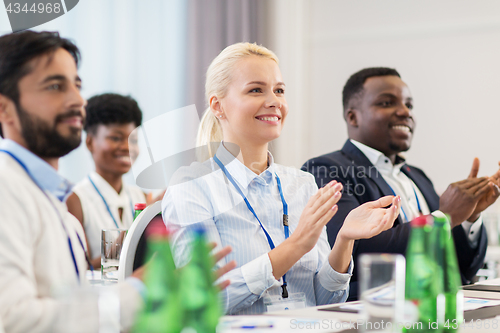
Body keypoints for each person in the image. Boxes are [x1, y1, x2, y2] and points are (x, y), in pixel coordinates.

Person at [0, 30, 235, 333]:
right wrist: (140, 289)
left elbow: (75, 314)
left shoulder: (49, 198)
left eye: (77, 85)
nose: (77, 101)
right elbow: (14, 321)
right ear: (4, 108)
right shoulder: (7, 189)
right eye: (55, 86)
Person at [162, 43, 403, 315]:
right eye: (256, 90)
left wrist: (345, 239)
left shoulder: (301, 183)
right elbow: (206, 300)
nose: (274, 101)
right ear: (218, 106)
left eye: (279, 90)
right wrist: (296, 245)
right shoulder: (191, 186)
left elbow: (324, 300)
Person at [301, 67, 500, 300]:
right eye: (387, 103)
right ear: (353, 116)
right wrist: (445, 217)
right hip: (376, 315)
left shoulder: (417, 176)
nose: (405, 112)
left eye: (409, 105)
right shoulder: (326, 169)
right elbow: (356, 252)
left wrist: (468, 218)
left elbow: (461, 267)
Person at [67, 93, 147, 268]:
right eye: (116, 138)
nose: (127, 147)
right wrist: (137, 231)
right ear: (90, 143)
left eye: (133, 140)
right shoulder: (75, 200)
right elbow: (79, 267)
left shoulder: (142, 196)